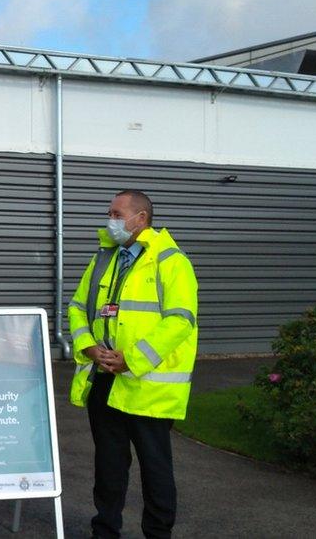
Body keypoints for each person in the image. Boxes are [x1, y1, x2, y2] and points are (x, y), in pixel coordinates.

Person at [67, 190, 198, 539]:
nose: (110, 219)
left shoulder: (171, 261)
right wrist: (89, 347)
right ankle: (105, 529)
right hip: (105, 380)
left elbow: (181, 320)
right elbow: (78, 307)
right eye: (109, 212)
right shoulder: (104, 258)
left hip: (148, 385)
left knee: (155, 468)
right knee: (108, 467)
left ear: (141, 219)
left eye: (116, 213)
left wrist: (132, 359)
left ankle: (158, 533)